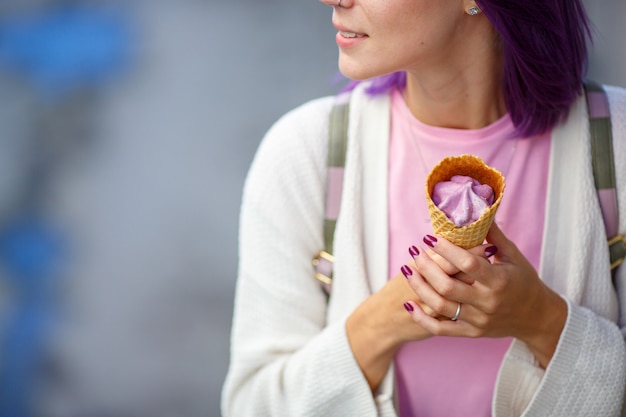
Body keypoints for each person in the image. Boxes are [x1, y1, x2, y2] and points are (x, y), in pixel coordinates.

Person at [221, 0, 626, 415]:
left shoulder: (616, 142)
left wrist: (541, 319)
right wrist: (385, 319)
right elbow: (253, 404)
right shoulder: (304, 154)